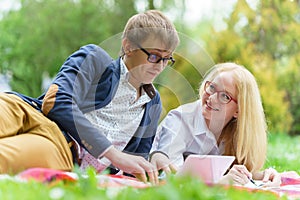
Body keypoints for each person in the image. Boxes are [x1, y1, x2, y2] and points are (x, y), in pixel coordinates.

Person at [0, 10, 179, 185]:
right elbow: (55, 100)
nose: (160, 66)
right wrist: (112, 154)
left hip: (63, 147)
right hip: (29, 111)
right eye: (154, 56)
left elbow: (135, 165)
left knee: (6, 157)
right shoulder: (96, 59)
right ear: (128, 46)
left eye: (167, 59)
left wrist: (154, 163)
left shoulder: (153, 104)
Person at [150, 62, 281, 186]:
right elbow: (168, 178)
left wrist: (263, 176)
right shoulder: (180, 120)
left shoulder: (236, 131)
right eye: (212, 87)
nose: (211, 98)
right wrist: (218, 183)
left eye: (224, 96)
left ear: (238, 110)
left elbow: (230, 172)